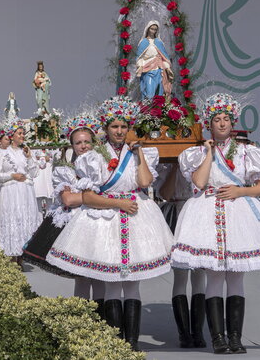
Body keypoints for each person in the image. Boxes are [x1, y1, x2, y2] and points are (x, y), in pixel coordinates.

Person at [171, 93, 260, 355]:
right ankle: (218, 337)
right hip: (207, 212)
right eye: (217, 119)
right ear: (209, 124)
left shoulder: (247, 152)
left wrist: (241, 192)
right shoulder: (197, 153)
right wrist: (208, 152)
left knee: (236, 277)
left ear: (232, 122)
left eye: (226, 119)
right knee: (215, 275)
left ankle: (236, 337)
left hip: (238, 212)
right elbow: (200, 183)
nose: (222, 123)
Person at [47, 96, 174, 351]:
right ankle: (117, 343)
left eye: (123, 127)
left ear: (129, 129)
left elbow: (146, 183)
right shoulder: (93, 157)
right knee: (113, 283)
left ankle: (133, 342)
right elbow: (90, 196)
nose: (119, 131)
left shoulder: (141, 153)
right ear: (106, 129)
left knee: (133, 283)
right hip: (106, 218)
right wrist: (118, 204)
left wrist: (138, 154)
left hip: (138, 215)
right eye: (114, 127)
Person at [23, 113, 106, 312]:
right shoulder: (64, 168)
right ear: (71, 145)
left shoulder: (102, 164)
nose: (83, 146)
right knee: (83, 275)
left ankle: (104, 317)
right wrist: (96, 198)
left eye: (87, 141)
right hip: (75, 224)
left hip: (99, 222)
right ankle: (83, 316)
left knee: (100, 273)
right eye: (78, 143)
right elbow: (68, 199)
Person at [155, 163, 207, 349]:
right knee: (181, 276)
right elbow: (165, 194)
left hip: (199, 215)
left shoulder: (201, 160)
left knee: (200, 274)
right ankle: (184, 333)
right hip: (177, 214)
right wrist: (176, 167)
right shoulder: (167, 167)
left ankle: (198, 331)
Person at [0, 119, 45, 263]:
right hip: (10, 192)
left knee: (24, 220)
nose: (22, 136)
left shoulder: (26, 152)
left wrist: (29, 158)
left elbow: (34, 173)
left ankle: (22, 256)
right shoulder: (0, 153)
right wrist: (11, 175)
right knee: (12, 220)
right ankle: (11, 256)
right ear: (12, 135)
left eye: (23, 133)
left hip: (26, 192)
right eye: (20, 133)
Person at [135, 20, 174, 99]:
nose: (153, 31)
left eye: (155, 29)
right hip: (148, 70)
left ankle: (157, 109)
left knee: (160, 92)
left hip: (159, 70)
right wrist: (140, 65)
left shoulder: (159, 42)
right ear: (148, 29)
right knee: (149, 92)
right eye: (151, 29)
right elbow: (139, 57)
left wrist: (167, 67)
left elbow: (164, 57)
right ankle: (148, 108)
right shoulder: (143, 42)